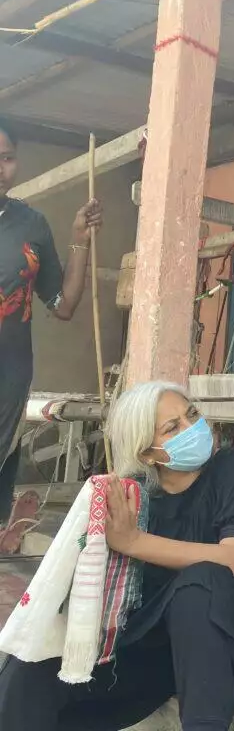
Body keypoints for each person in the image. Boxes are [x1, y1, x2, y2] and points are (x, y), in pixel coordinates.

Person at [0, 381, 234, 730]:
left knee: (201, 582)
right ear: (148, 454)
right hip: (157, 656)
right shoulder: (135, 496)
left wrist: (133, 541)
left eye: (191, 415)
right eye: (172, 428)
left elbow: (233, 559)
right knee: (28, 670)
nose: (192, 428)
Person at [0, 120, 103, 527]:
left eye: (6, 158)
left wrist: (80, 238)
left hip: (10, 371)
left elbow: (62, 304)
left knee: (3, 457)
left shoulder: (32, 225)